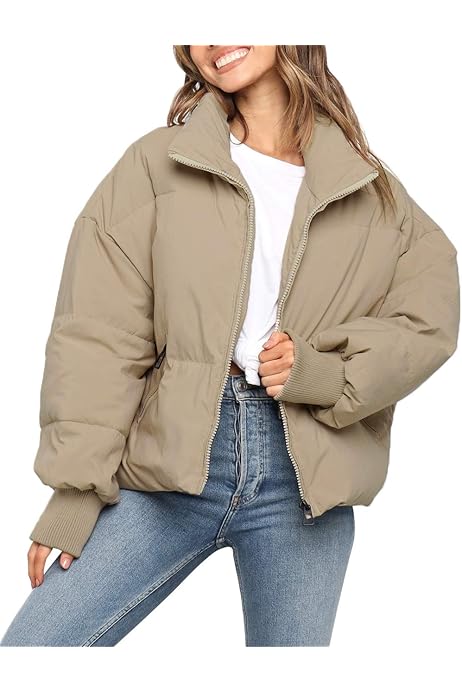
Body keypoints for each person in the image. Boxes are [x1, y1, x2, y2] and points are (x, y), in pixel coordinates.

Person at [0, 45, 459, 647]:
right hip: (168, 460)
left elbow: (430, 316)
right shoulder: (157, 164)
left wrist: (327, 373)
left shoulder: (367, 187)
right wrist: (75, 492)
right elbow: (99, 336)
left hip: (305, 481)